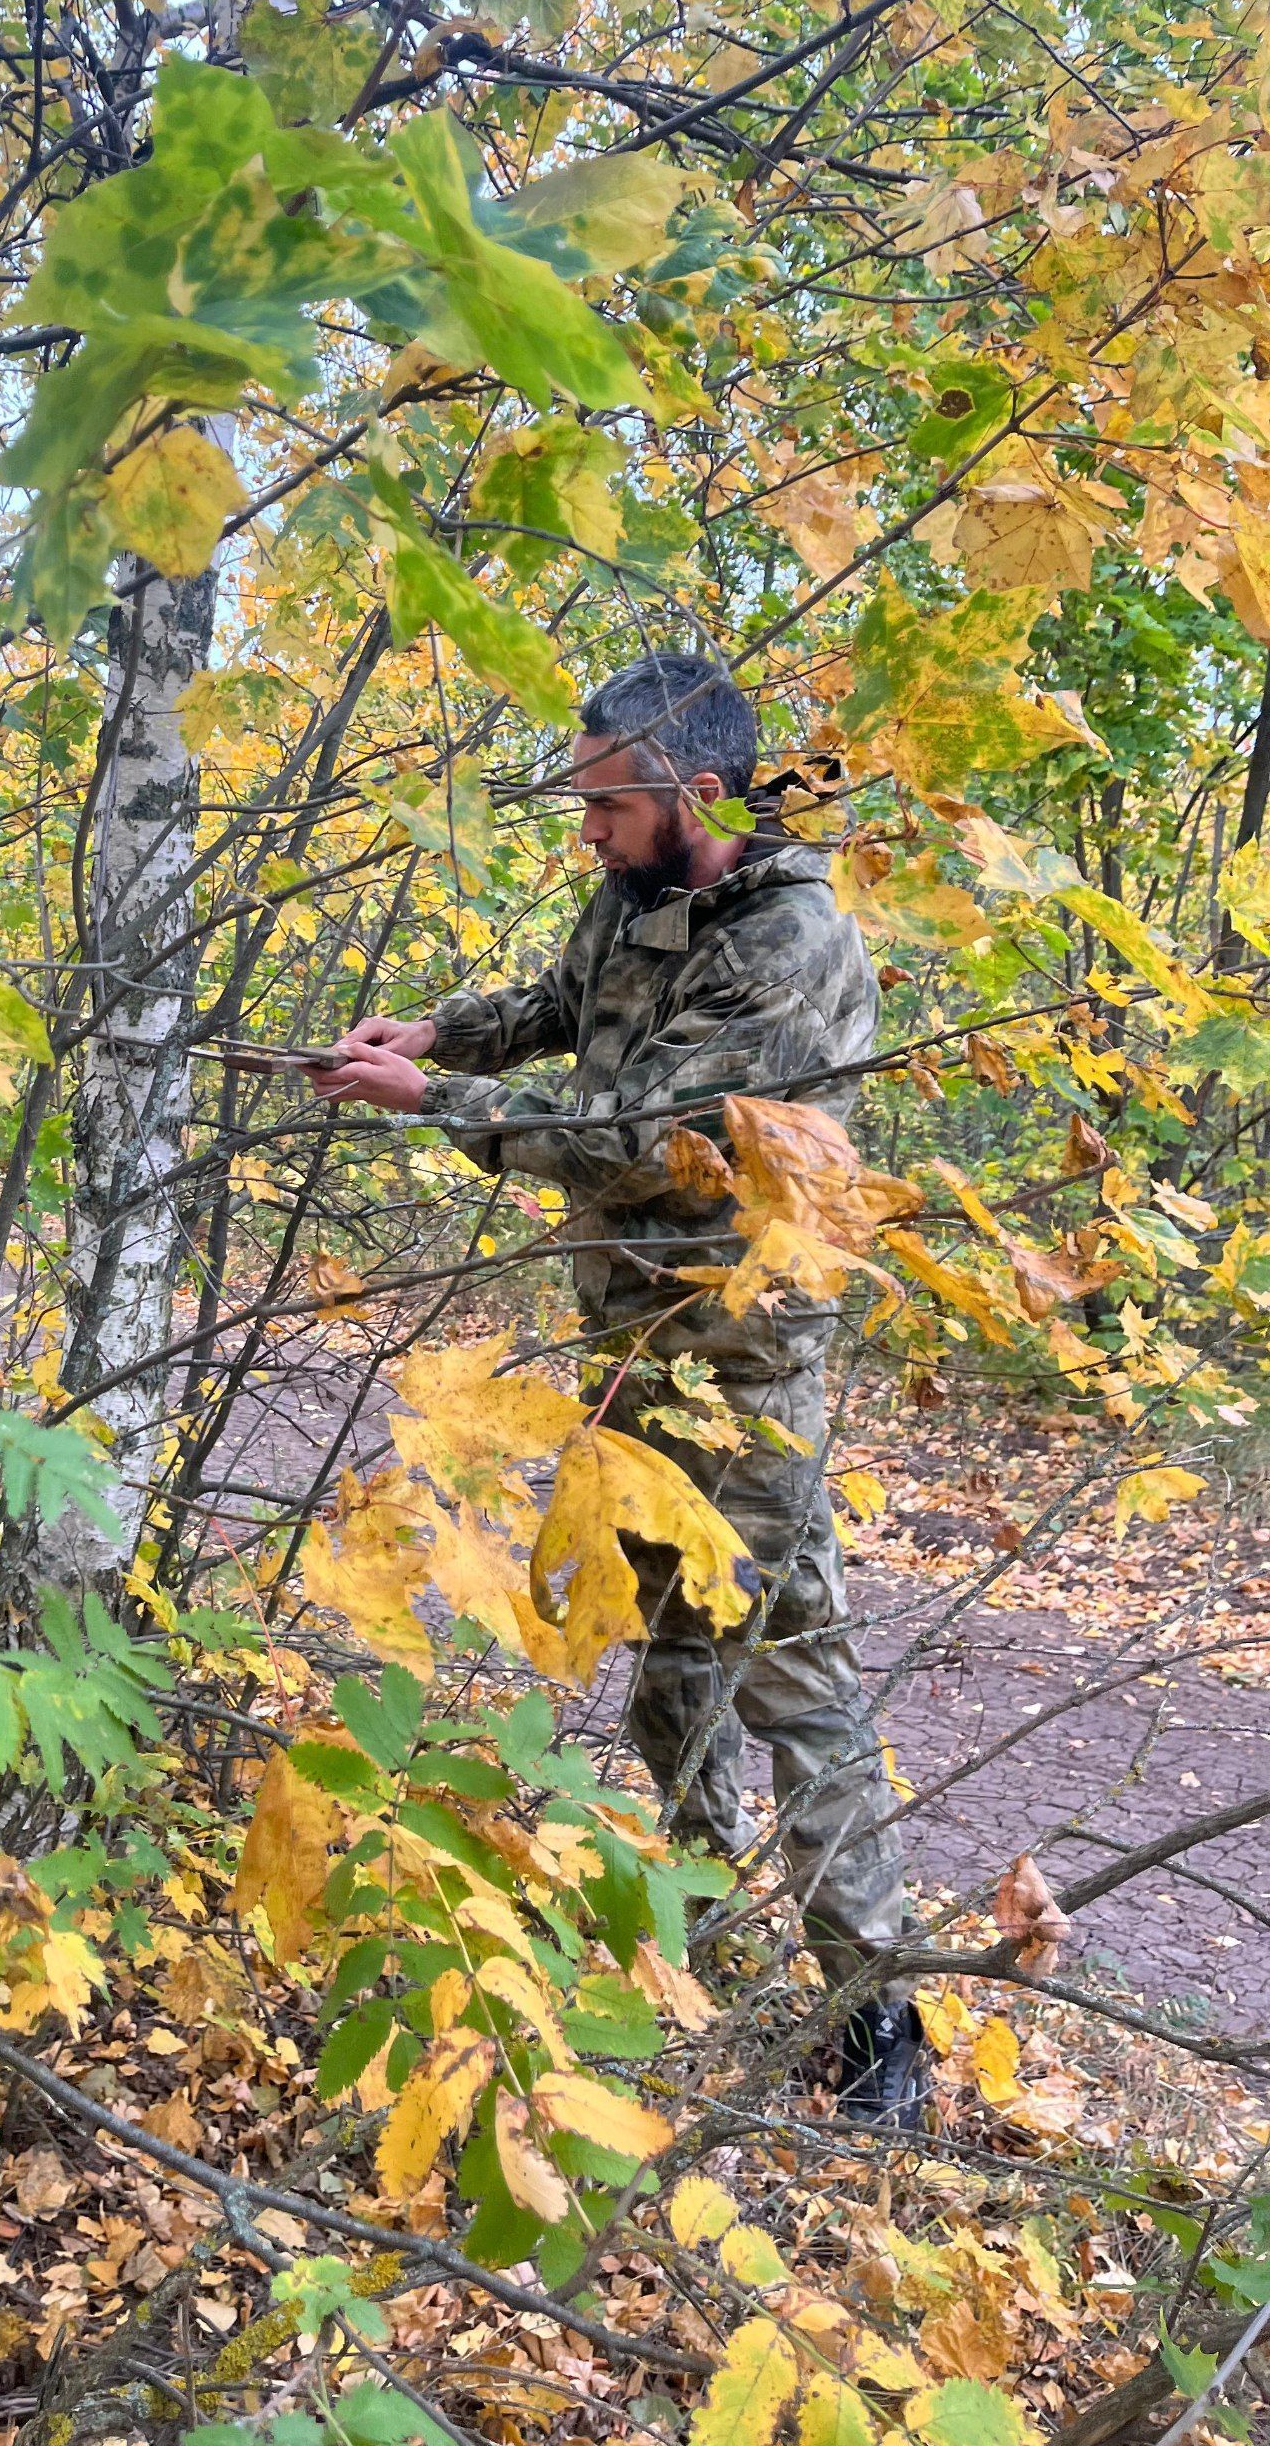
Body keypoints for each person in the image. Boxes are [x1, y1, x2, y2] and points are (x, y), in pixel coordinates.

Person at [308, 653, 928, 2128]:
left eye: (606, 807)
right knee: (668, 1666)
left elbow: (645, 1138)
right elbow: (562, 1005)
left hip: (742, 1367)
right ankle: (692, 1933)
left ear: (697, 794)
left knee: (790, 1676)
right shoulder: (641, 887)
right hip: (630, 1344)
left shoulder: (791, 942)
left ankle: (877, 2025)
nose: (586, 834)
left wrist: (438, 1104)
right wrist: (440, 1035)